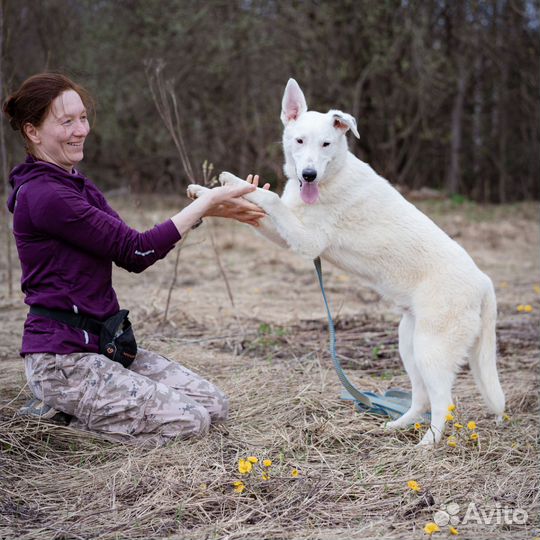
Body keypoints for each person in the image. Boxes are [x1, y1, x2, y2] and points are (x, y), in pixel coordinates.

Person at [3, 72, 267, 445]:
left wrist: (215, 208)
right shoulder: (46, 196)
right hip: (62, 360)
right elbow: (138, 251)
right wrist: (206, 202)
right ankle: (59, 420)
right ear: (33, 132)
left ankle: (80, 407)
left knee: (214, 405)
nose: (81, 129)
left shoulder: (73, 182)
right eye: (67, 122)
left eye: (82, 117)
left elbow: (129, 248)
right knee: (188, 423)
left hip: (103, 346)